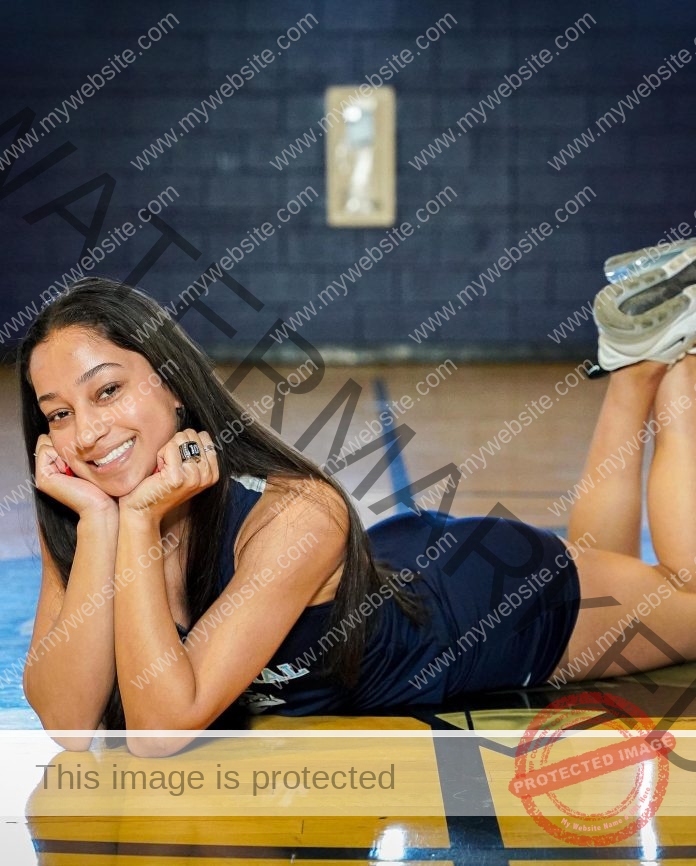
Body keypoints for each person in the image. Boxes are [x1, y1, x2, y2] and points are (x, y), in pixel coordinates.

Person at [18, 272, 696, 759]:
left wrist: (134, 523)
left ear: (170, 383)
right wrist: (105, 525)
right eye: (59, 413)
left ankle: (678, 375)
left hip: (494, 612)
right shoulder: (86, 516)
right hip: (399, 569)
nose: (86, 432)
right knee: (609, 561)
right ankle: (632, 369)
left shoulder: (294, 514)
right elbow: (71, 723)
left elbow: (160, 730)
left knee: (686, 594)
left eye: (107, 390)